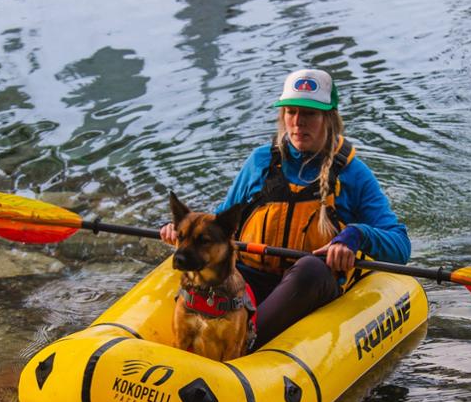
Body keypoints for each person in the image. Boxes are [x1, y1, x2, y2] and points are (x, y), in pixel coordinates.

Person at [161, 67, 410, 348]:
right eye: (291, 112)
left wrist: (356, 235)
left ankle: (247, 342)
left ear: (329, 118)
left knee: (310, 270)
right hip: (251, 278)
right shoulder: (260, 162)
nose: (297, 122)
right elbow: (219, 226)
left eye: (309, 114)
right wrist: (182, 232)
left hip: (310, 286)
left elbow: (400, 247)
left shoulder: (353, 174)